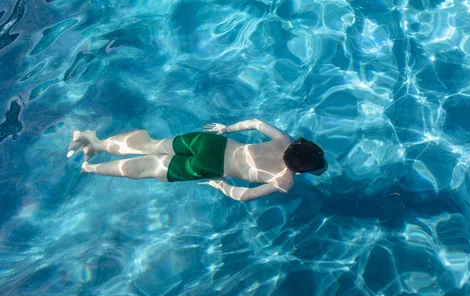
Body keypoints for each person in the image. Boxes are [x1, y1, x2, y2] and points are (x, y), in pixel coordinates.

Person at [66, 119, 327, 202]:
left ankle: (94, 142)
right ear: (303, 170)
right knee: (148, 167)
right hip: (209, 167)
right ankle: (89, 167)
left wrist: (226, 129)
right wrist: (220, 184)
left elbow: (256, 122)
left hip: (211, 142)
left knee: (151, 144)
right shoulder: (285, 181)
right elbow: (243, 196)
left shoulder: (285, 140)